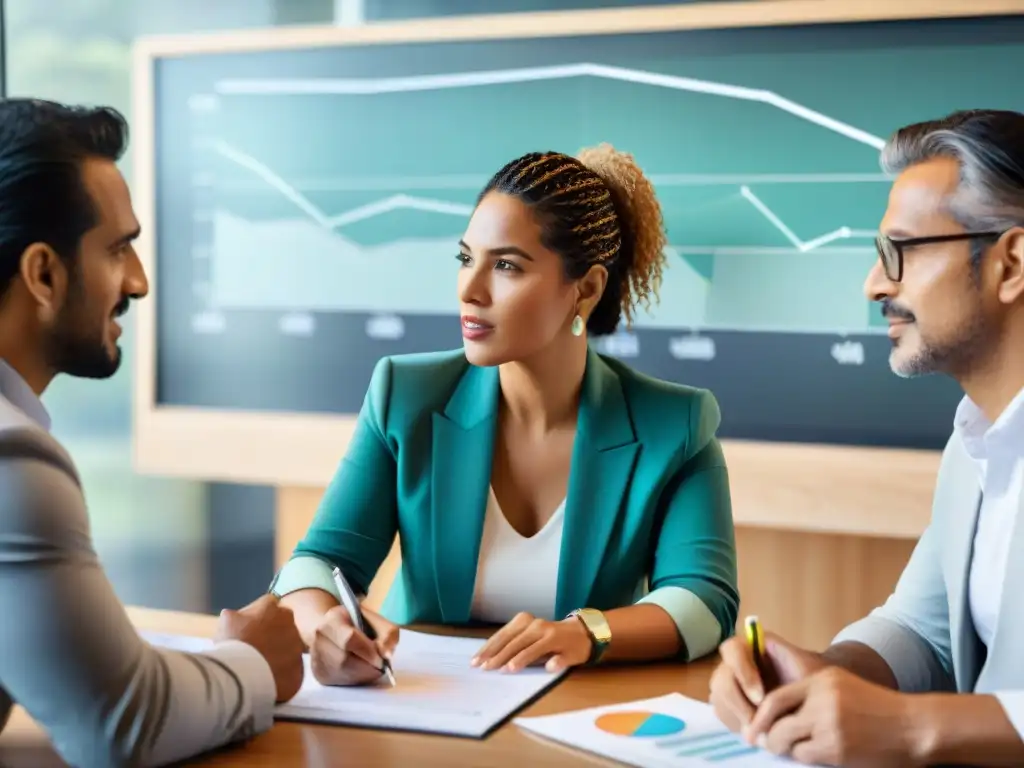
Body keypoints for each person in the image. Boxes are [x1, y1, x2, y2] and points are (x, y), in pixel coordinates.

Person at [270, 144, 740, 685]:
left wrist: (587, 633)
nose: (469, 291)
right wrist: (323, 625)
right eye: (466, 259)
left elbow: (705, 602)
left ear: (585, 289)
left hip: (573, 710)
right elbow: (316, 563)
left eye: (507, 266)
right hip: (419, 695)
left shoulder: (675, 423)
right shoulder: (406, 394)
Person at [709, 109, 1024, 767]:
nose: (875, 284)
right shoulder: (976, 444)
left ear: (1012, 263)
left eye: (899, 253)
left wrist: (911, 727)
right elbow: (922, 632)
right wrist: (824, 673)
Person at [0, 99, 306, 768]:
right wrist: (252, 663)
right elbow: (122, 725)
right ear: (43, 273)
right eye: (118, 249)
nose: (137, 281)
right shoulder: (13, 458)